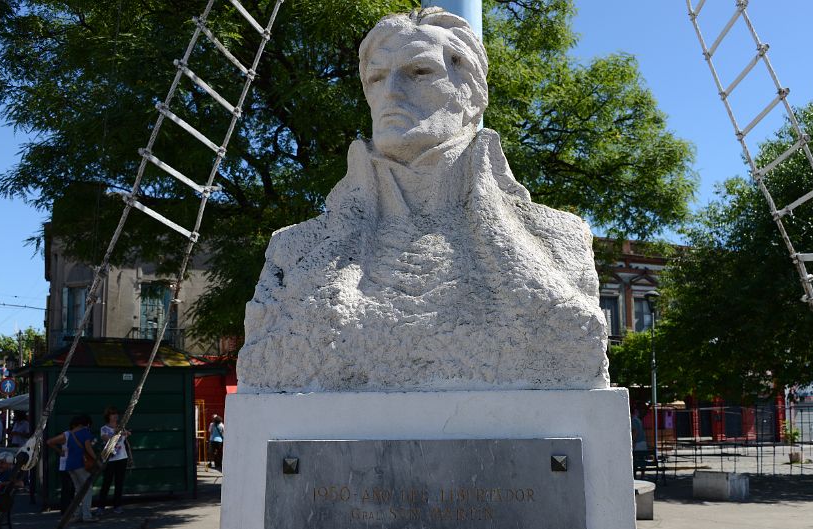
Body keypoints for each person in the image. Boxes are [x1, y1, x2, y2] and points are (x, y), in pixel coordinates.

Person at [236, 7, 608, 393]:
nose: (391, 91)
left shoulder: (559, 239)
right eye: (377, 77)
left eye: (419, 72)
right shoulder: (292, 251)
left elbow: (572, 345)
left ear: (471, 94)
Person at [47, 414, 98, 522]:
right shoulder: (85, 433)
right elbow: (88, 448)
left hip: (69, 465)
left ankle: (76, 514)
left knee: (78, 490)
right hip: (80, 464)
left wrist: (60, 452)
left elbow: (50, 442)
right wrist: (97, 459)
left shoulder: (68, 434)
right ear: (84, 424)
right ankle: (86, 515)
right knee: (87, 489)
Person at [98, 406, 131, 512]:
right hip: (110, 458)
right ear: (108, 416)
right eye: (112, 414)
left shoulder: (122, 427)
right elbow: (106, 439)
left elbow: (125, 437)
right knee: (107, 482)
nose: (115, 416)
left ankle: (117, 506)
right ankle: (101, 506)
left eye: (116, 414)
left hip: (122, 457)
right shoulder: (104, 428)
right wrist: (116, 432)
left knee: (119, 482)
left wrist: (126, 433)